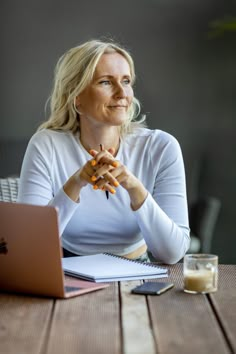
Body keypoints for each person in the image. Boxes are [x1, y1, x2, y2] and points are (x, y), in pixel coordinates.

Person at [17, 39, 190, 264]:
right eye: (106, 82)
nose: (122, 93)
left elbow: (172, 253)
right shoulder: (46, 145)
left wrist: (134, 188)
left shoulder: (161, 147)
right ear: (76, 98)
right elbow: (29, 247)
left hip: (138, 271)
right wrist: (77, 182)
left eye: (126, 81)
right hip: (66, 269)